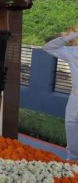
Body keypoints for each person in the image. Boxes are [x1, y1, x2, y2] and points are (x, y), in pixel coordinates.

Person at [43, 31, 78, 161]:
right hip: (75, 97)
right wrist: (72, 36)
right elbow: (48, 47)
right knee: (71, 126)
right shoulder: (74, 52)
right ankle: (73, 162)